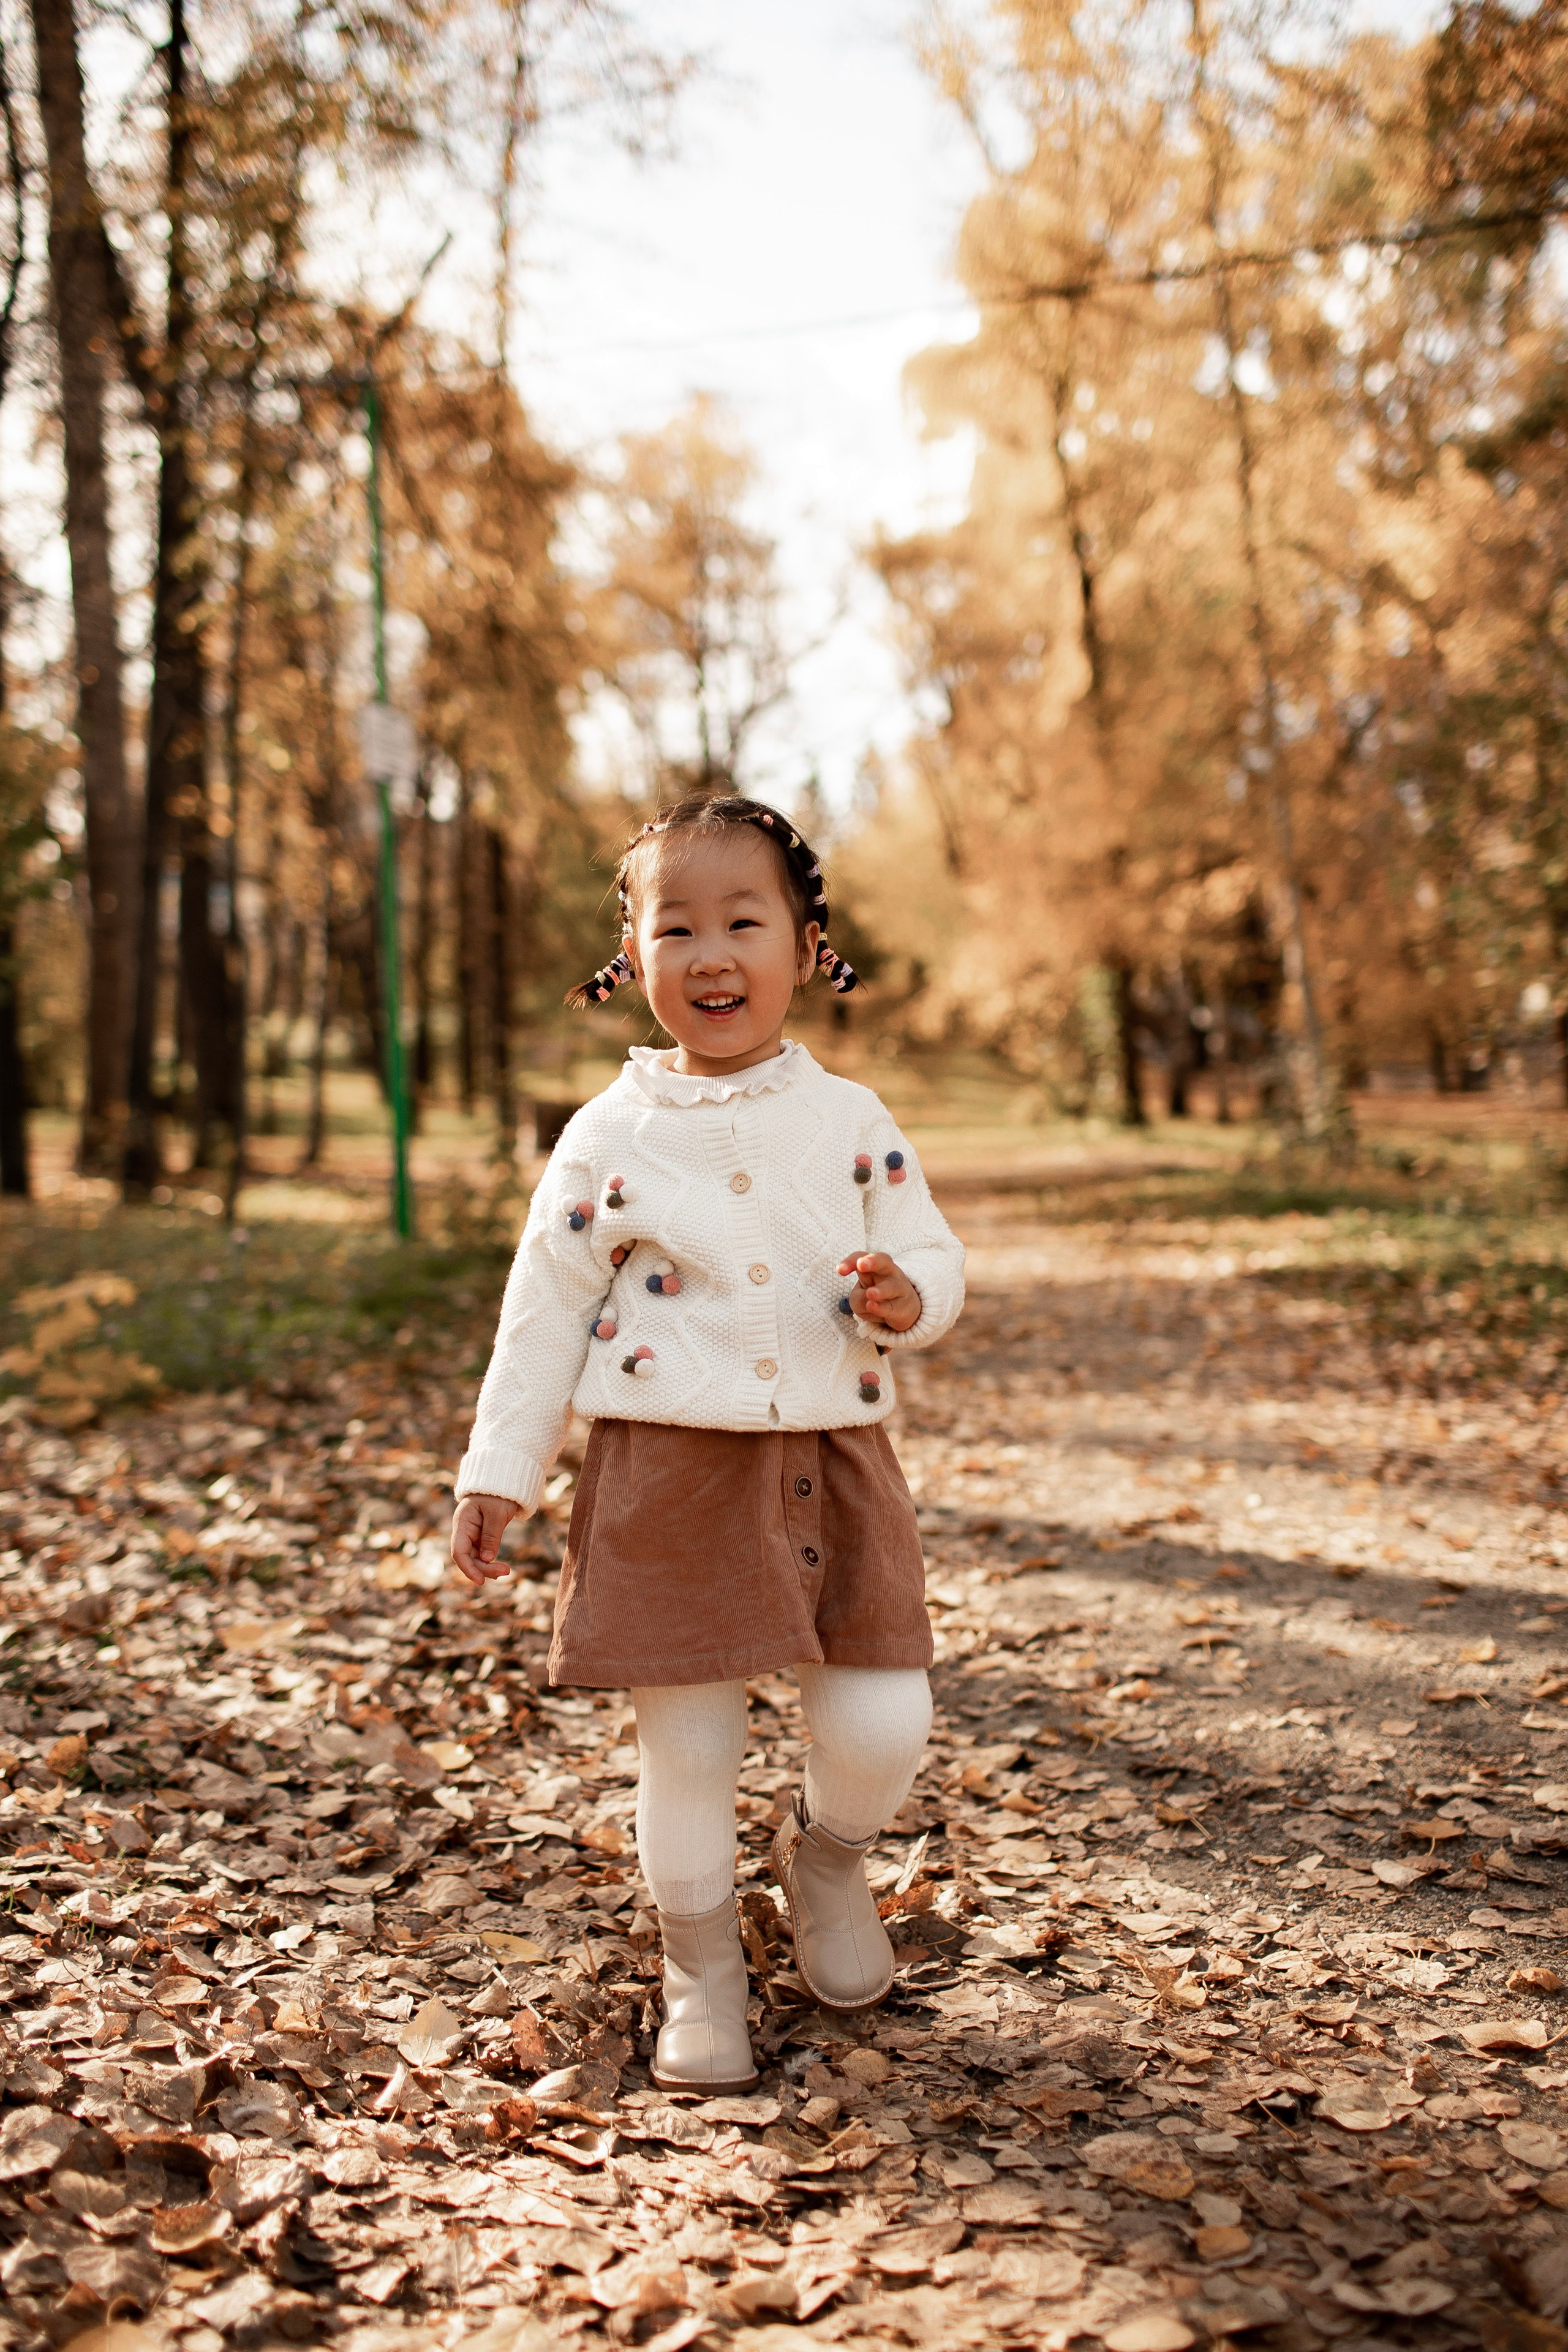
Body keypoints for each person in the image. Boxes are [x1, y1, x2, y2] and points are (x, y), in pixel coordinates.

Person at [450, 793, 965, 2092]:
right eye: (675, 927)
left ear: (805, 947)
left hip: (833, 1460)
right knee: (686, 1746)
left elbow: (927, 1248)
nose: (711, 954)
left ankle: (826, 1863)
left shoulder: (851, 1117)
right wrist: (500, 1472)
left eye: (744, 922)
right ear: (632, 956)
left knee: (882, 1716)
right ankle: (700, 1967)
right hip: (665, 1472)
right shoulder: (605, 1136)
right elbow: (543, 1309)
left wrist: (911, 1296)